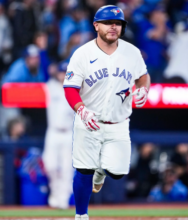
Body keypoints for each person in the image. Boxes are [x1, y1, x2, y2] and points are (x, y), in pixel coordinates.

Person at [63, 5, 151, 220]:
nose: (114, 26)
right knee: (84, 170)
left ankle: (101, 171)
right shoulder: (82, 54)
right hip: (88, 120)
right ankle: (81, 215)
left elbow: (143, 76)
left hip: (118, 122)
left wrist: (143, 89)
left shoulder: (131, 52)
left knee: (118, 172)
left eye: (118, 23)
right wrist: (81, 110)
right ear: (96, 25)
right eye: (108, 23)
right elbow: (70, 88)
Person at [42, 62, 75, 210]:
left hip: (68, 133)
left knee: (67, 168)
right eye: (62, 72)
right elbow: (42, 71)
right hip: (53, 132)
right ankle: (55, 194)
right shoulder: (50, 86)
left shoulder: (75, 90)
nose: (63, 75)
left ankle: (63, 199)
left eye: (66, 72)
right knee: (50, 166)